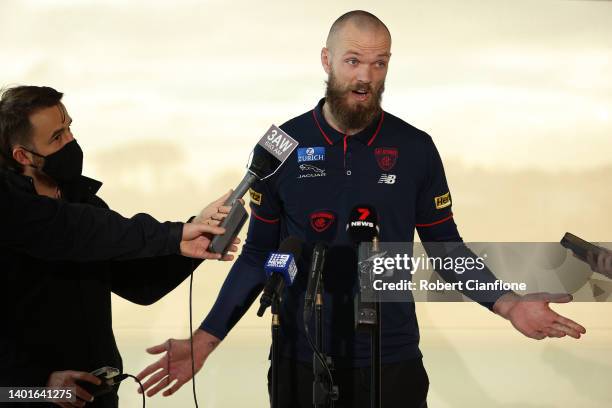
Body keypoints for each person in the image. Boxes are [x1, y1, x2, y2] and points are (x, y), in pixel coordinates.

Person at [137, 11, 586, 407]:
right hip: (298, 357)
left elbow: (445, 246)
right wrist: (206, 338)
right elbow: (258, 255)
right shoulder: (281, 147)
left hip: (391, 359)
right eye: (353, 60)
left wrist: (508, 305)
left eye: (379, 62)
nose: (366, 76)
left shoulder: (415, 148)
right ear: (326, 61)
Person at [0, 85, 240, 408]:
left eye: (70, 128)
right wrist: (42, 386)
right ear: (23, 155)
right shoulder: (13, 213)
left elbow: (140, 284)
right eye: (57, 137)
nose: (70, 141)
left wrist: (195, 239)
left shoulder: (85, 204)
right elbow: (72, 229)